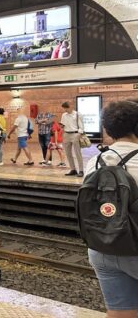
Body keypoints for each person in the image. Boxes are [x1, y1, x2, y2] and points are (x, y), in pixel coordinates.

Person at [83, 100, 138, 317]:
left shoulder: (95, 161)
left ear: (107, 129)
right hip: (135, 248)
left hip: (101, 247)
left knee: (120, 312)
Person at [60, 101, 85, 177]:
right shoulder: (64, 115)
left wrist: (79, 134)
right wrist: (61, 127)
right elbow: (63, 125)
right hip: (66, 134)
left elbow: (81, 126)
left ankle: (81, 170)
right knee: (68, 153)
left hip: (75, 134)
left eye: (66, 108)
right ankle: (73, 169)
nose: (65, 110)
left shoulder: (77, 114)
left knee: (78, 153)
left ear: (70, 107)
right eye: (64, 108)